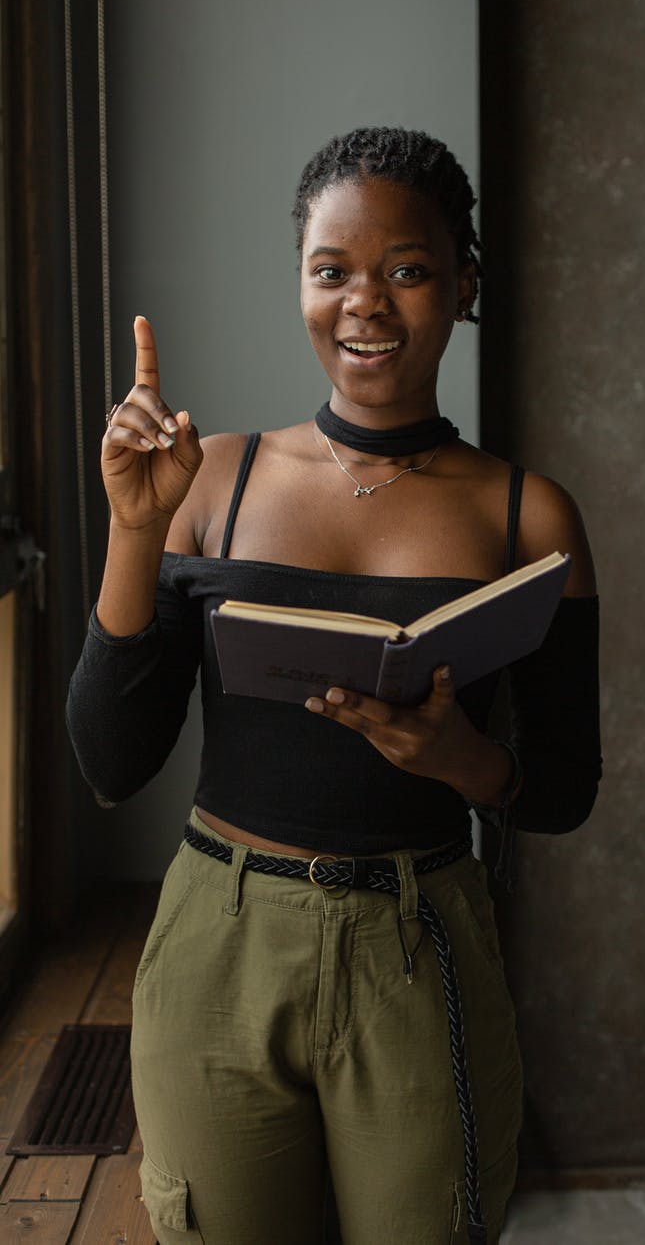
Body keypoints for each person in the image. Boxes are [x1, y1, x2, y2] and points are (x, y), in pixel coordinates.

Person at [67, 126, 601, 1245]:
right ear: (302, 284)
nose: (366, 302)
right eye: (332, 271)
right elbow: (112, 760)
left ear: (463, 284)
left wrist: (463, 761)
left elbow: (563, 788)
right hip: (223, 933)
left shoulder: (528, 516)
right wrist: (135, 531)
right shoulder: (213, 474)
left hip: (424, 936)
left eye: (406, 269)